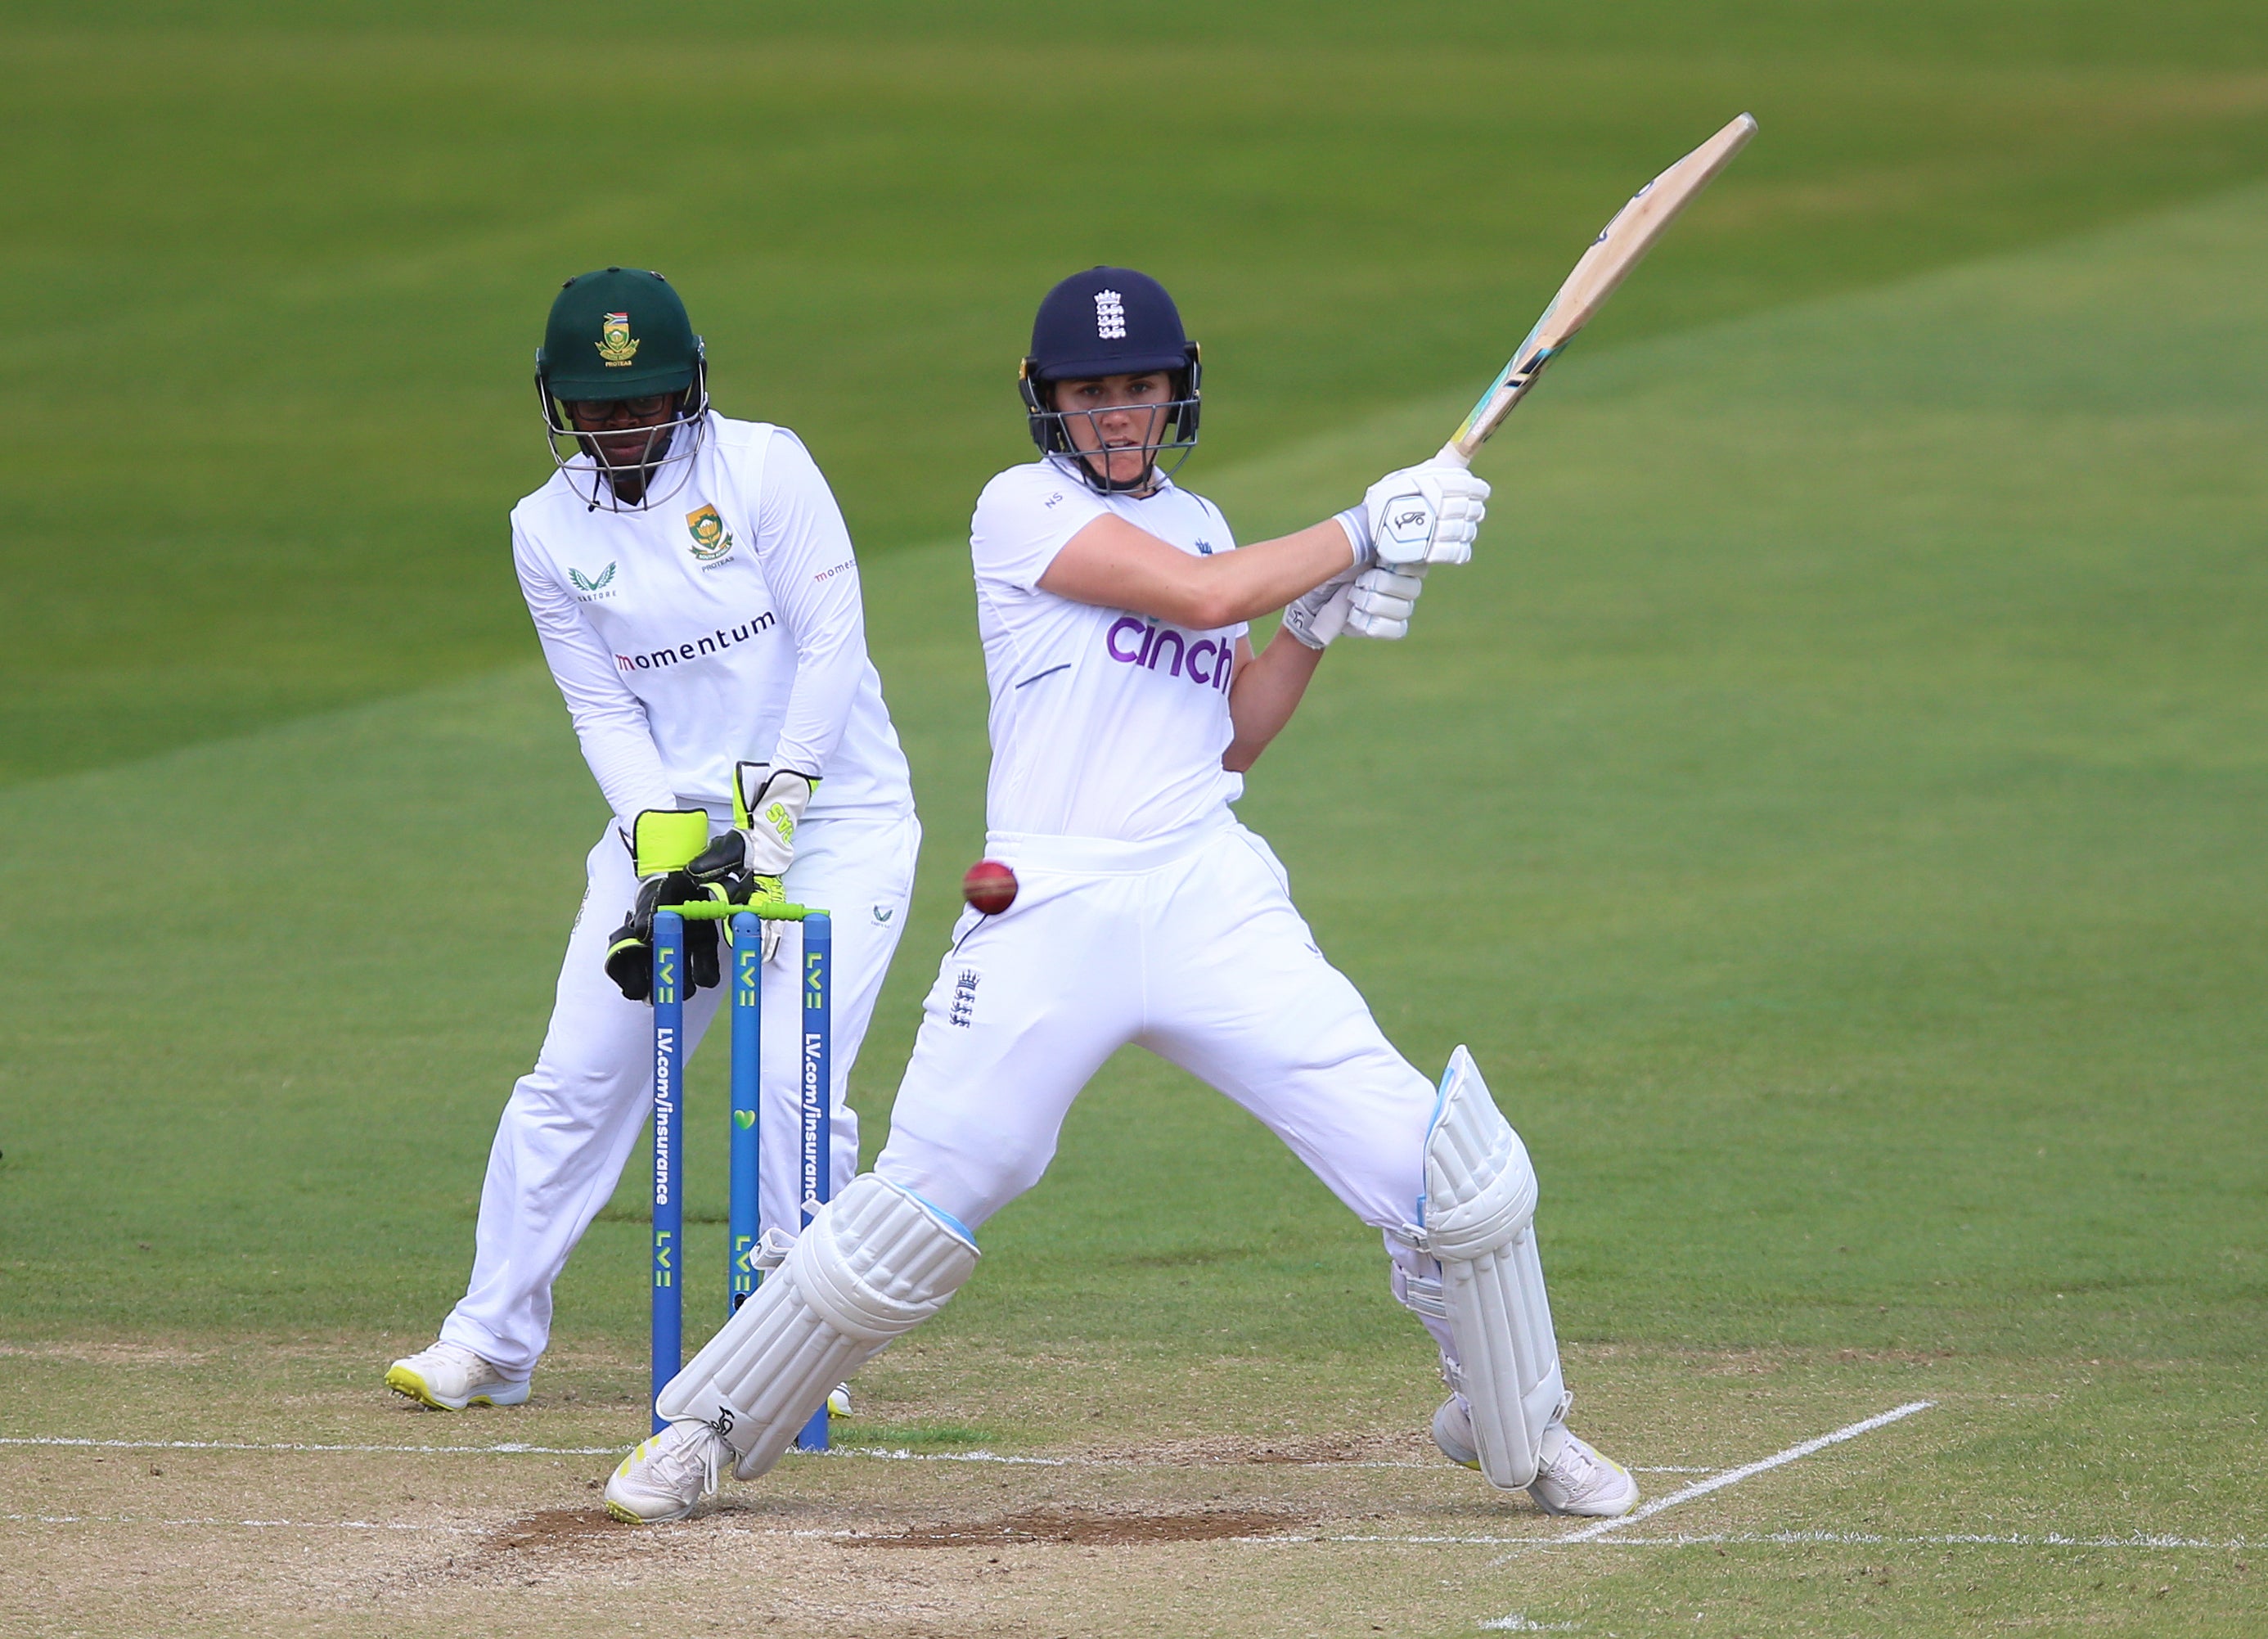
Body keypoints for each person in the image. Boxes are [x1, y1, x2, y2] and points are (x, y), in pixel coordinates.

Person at [602, 267, 1638, 1521]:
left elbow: (1236, 733)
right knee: (918, 1207)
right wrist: (1364, 529)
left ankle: (1516, 1421)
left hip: (1208, 891)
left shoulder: (1209, 526)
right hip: (1050, 907)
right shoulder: (1015, 510)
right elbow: (1203, 599)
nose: (1116, 413)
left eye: (1137, 388)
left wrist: (1315, 616)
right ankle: (707, 1432)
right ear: (1046, 401)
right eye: (1091, 392)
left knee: (1449, 1176)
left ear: (1175, 392)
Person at [384, 268, 919, 1415]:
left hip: (838, 822)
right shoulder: (544, 528)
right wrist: (659, 849)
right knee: (575, 1078)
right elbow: (602, 709)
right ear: (558, 403)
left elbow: (832, 645)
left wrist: (773, 825)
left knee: (790, 1085)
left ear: (690, 389)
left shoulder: (766, 467)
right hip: (671, 833)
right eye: (596, 406)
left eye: (643, 401)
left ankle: (792, 1354)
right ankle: (490, 1340)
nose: (621, 427)